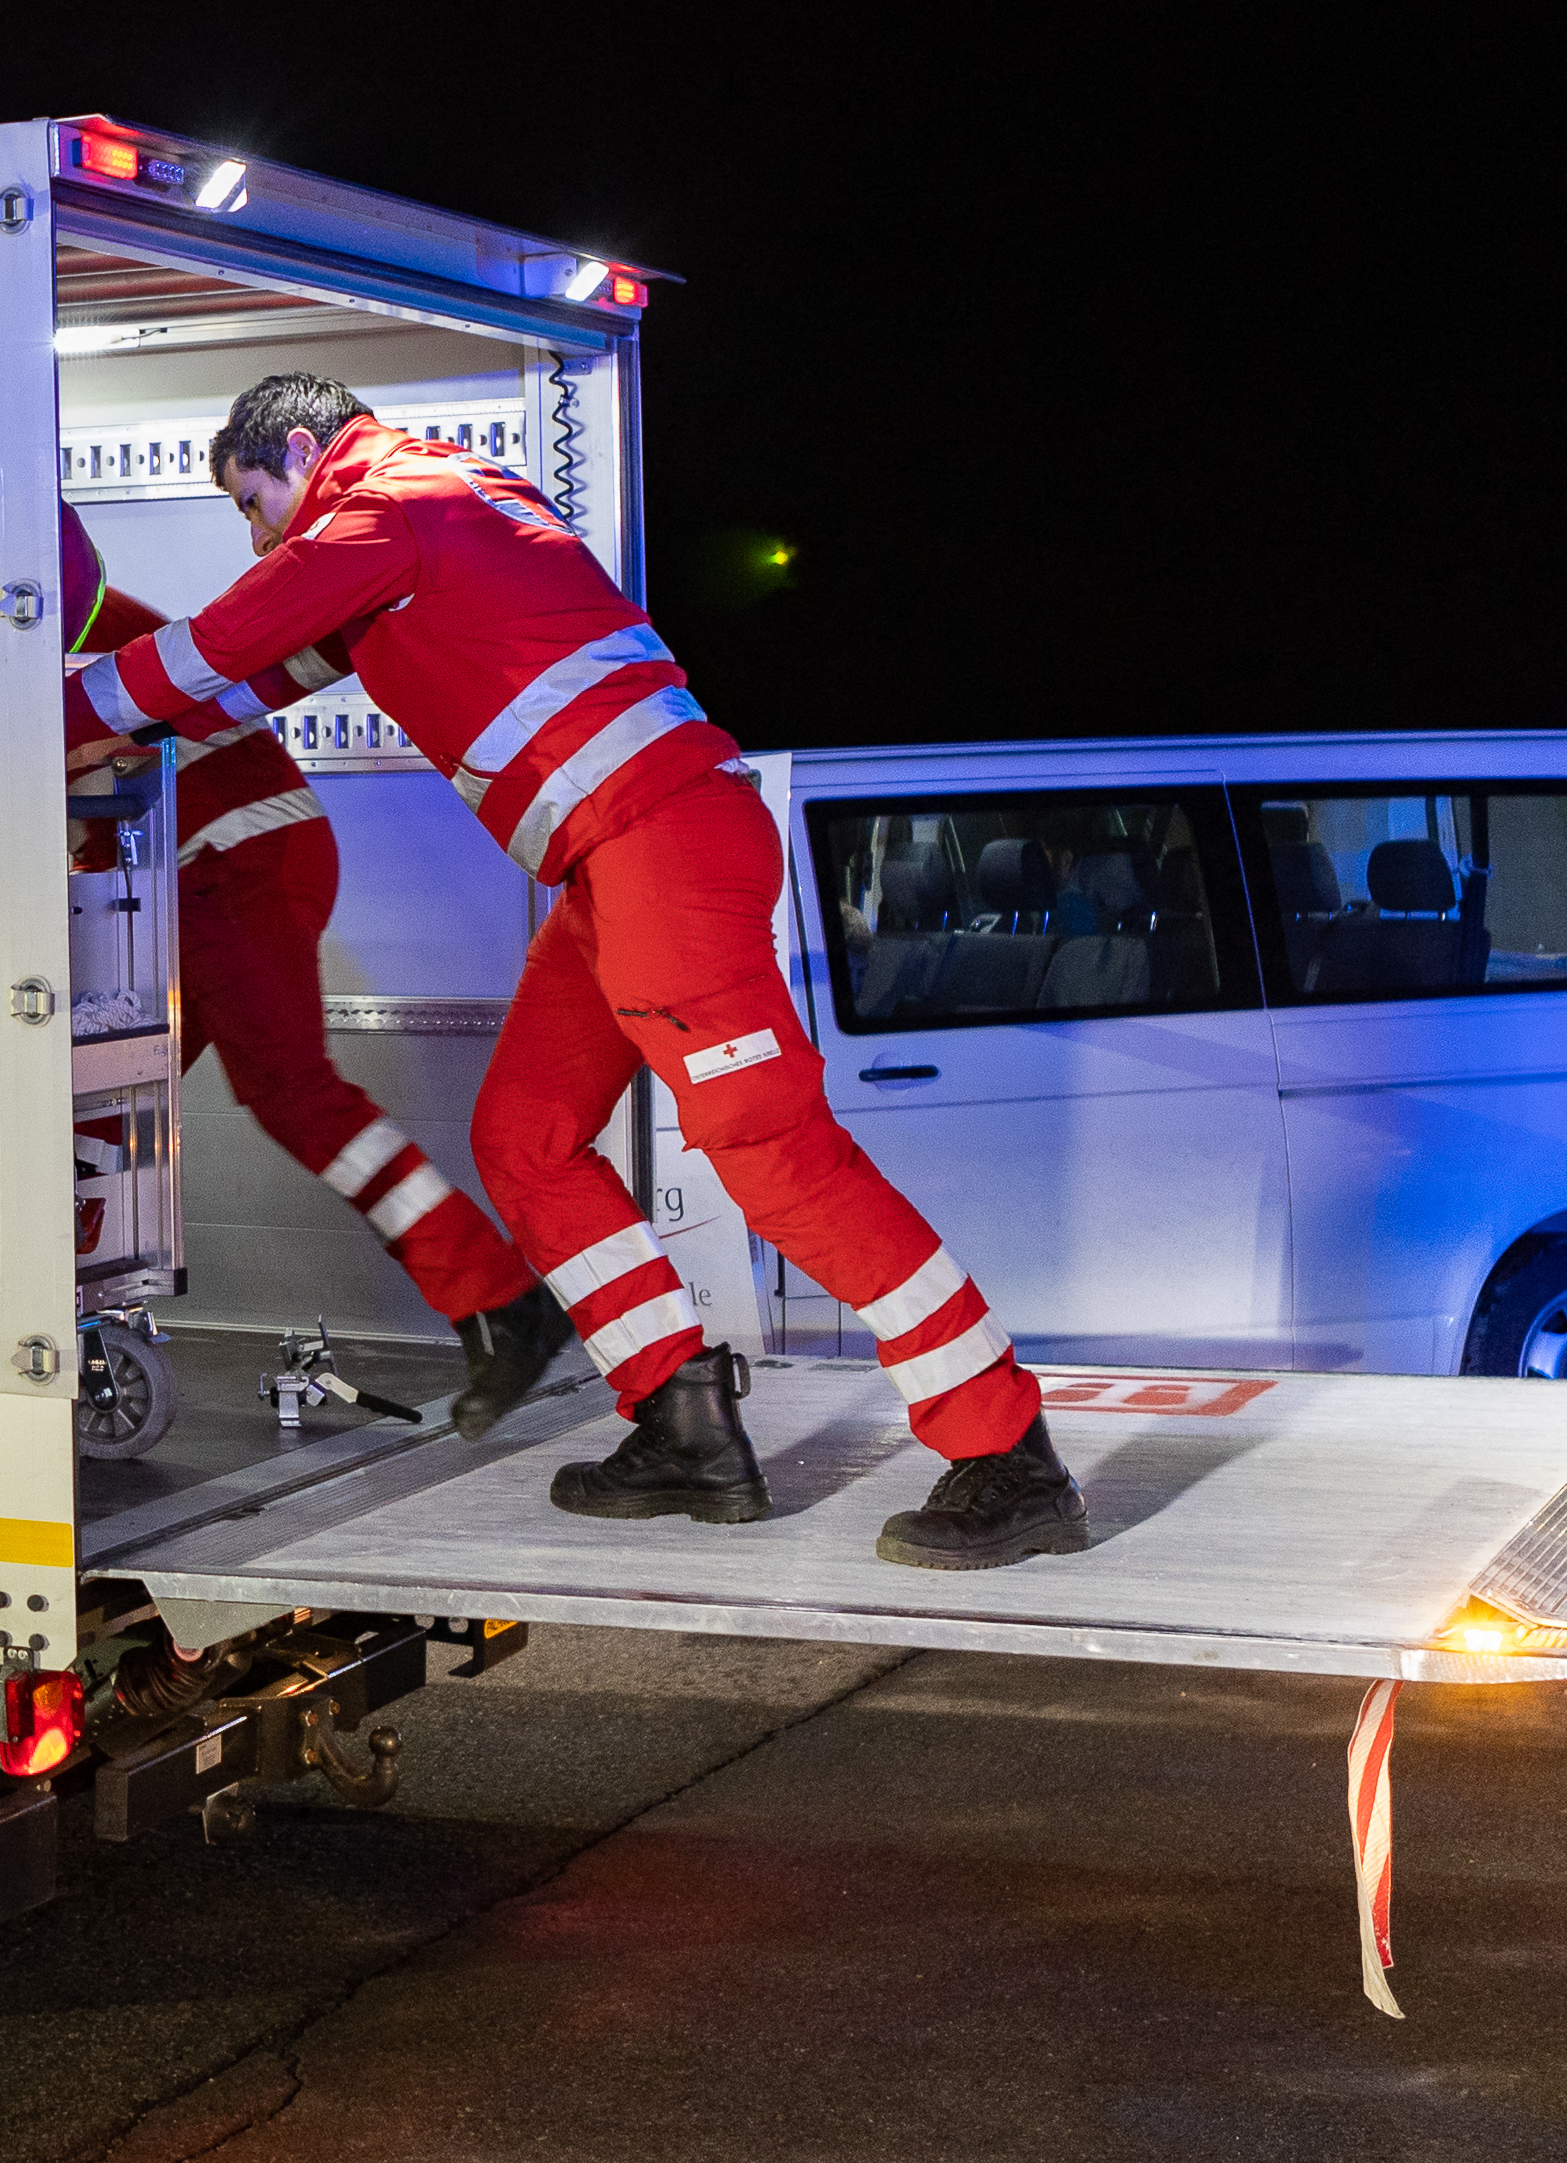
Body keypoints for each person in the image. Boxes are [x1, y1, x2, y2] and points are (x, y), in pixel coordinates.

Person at [64, 370, 1082, 1571]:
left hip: (658, 844)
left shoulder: (382, 504)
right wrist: (122, 720)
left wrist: (21, 719)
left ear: (299, 448)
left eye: (250, 499)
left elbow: (212, 644)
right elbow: (251, 678)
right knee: (527, 1139)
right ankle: (682, 1425)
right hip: (613, 862)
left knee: (769, 1149)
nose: (253, 530)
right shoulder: (428, 516)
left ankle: (1005, 1450)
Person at [57, 508, 537, 1373]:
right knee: (99, 1094)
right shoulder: (96, 619)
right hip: (229, 866)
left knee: (286, 1092)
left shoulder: (46, 655)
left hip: (224, 869)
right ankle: (66, 1294)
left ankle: (494, 1296)